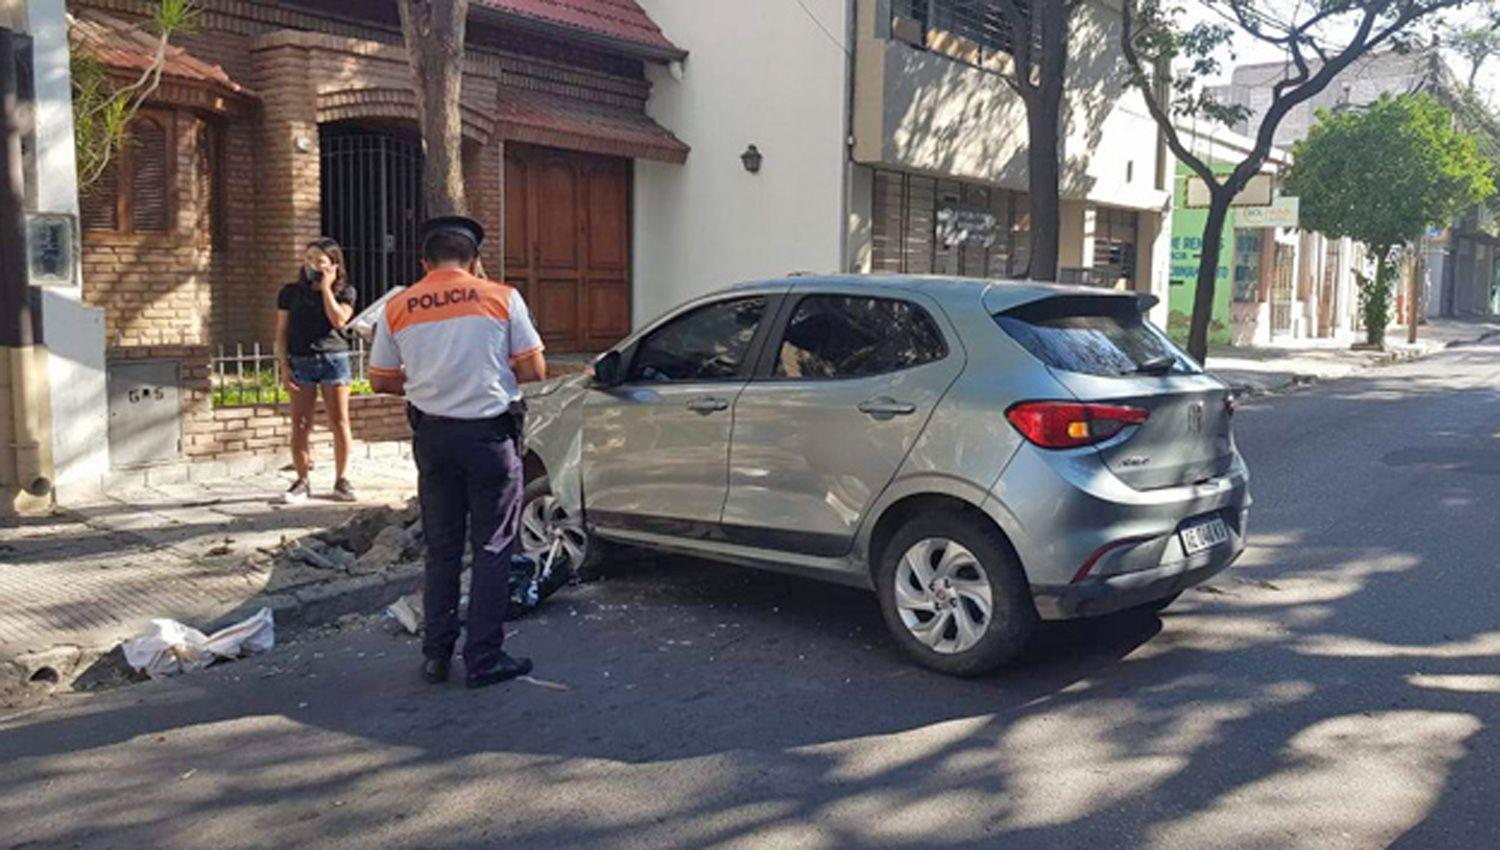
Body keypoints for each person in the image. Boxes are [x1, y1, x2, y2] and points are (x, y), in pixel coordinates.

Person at [368, 216, 547, 689]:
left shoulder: (399, 305)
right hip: (489, 437)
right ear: (475, 261)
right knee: (492, 546)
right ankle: (483, 658)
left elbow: (380, 379)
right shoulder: (501, 297)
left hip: (433, 437)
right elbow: (534, 369)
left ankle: (436, 655)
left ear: (424, 263)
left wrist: (429, 382)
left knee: (442, 548)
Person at [276, 238, 358, 504]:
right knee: (301, 423)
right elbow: (282, 333)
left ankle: (342, 479)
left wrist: (326, 289)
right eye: (308, 259)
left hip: (333, 359)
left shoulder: (346, 292)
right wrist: (284, 366)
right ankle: (302, 480)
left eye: (319, 261)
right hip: (301, 360)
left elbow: (339, 320)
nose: (312, 265)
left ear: (333, 264)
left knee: (339, 421)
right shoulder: (290, 292)